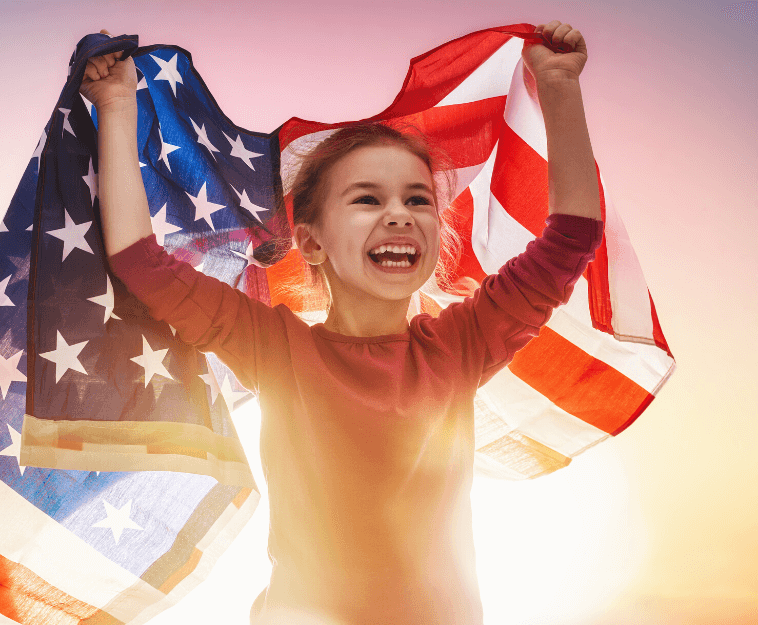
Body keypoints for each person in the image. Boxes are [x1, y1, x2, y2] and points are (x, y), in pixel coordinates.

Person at [82, 21, 601, 625]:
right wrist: (118, 104)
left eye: (417, 199)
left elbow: (569, 241)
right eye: (367, 199)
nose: (399, 215)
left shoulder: (459, 346)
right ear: (313, 242)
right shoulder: (276, 349)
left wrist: (559, 86)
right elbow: (140, 261)